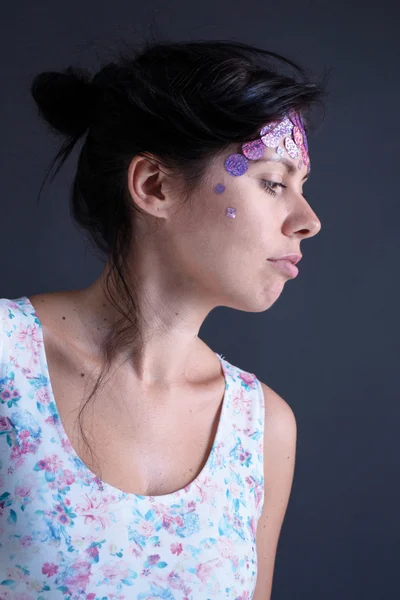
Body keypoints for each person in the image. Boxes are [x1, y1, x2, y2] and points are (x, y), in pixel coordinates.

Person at [0, 37, 325, 599]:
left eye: (302, 188)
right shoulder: (6, 362)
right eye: (274, 183)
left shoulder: (263, 428)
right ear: (154, 186)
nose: (308, 220)